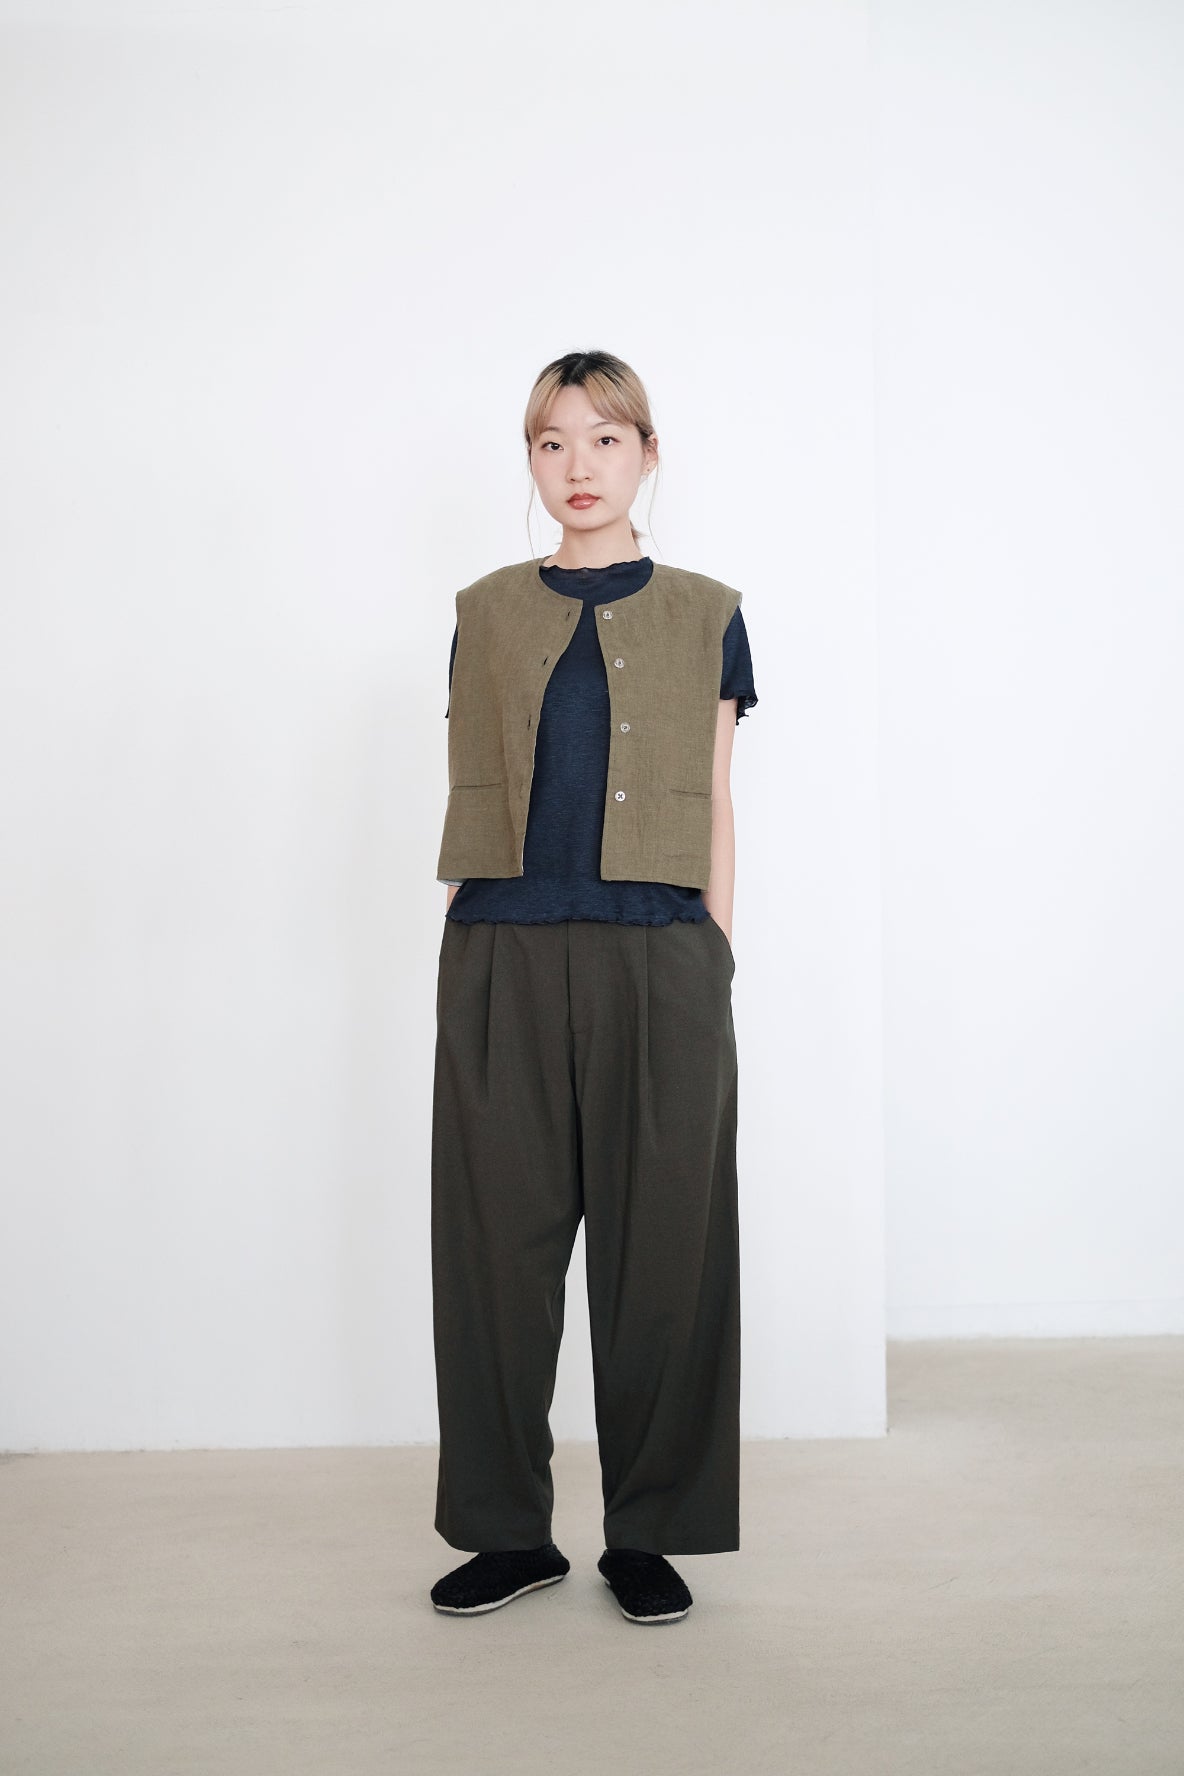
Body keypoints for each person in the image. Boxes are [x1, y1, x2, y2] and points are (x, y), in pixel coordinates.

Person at [428, 349, 758, 1626]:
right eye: (552, 442)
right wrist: (461, 961)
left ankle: (647, 1534)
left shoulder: (707, 613)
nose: (577, 466)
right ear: (529, 459)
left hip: (659, 955)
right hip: (501, 953)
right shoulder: (481, 612)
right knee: (491, 1256)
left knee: (662, 1254)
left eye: (604, 440)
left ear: (647, 455)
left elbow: (715, 798)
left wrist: (710, 950)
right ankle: (507, 1533)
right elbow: (474, 782)